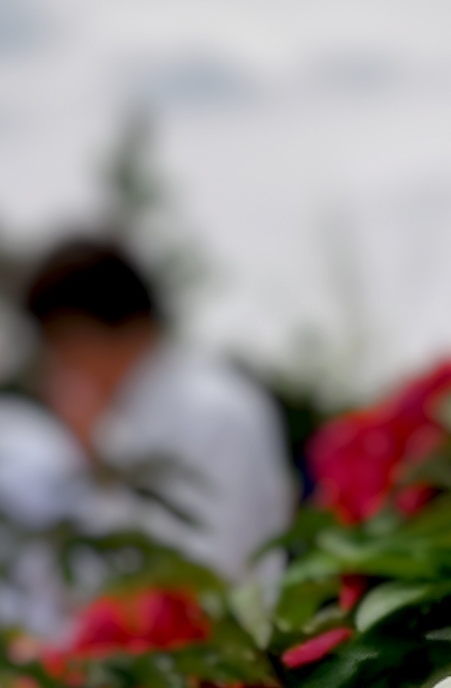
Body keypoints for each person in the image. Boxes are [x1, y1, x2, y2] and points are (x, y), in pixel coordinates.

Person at [17, 237, 296, 585]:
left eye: (59, 348)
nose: (60, 370)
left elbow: (207, 568)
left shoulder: (209, 410)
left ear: (81, 334)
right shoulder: (138, 416)